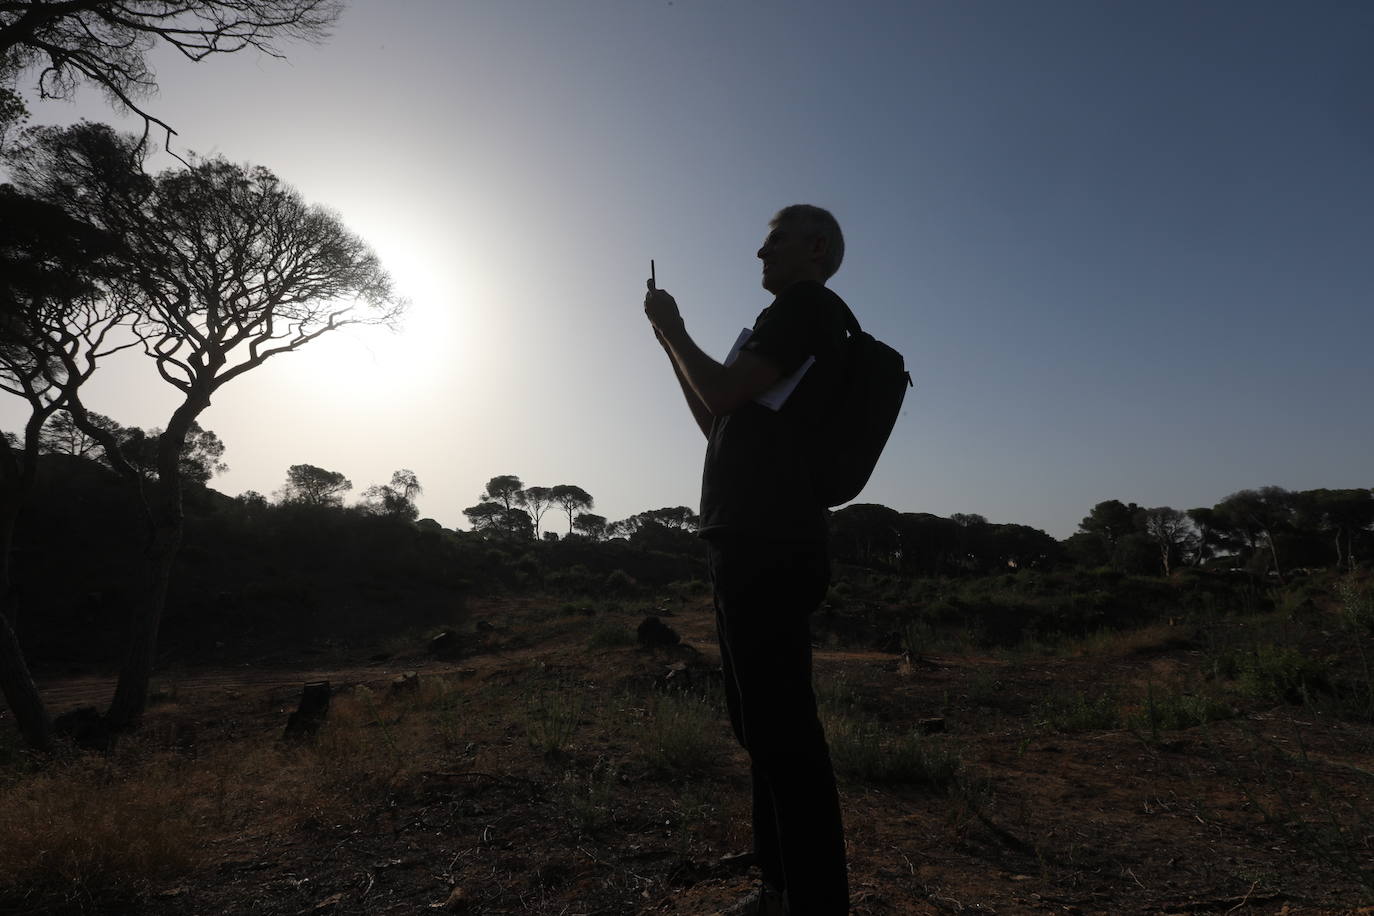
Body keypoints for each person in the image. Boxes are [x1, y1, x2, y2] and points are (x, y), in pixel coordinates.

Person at [643, 205, 851, 916]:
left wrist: (674, 328)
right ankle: (779, 887)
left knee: (783, 731)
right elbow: (717, 415)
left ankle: (811, 902)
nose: (759, 256)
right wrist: (671, 346)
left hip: (768, 542)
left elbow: (725, 392)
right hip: (748, 539)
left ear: (816, 249)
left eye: (775, 243)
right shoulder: (790, 321)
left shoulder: (804, 310)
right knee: (759, 724)